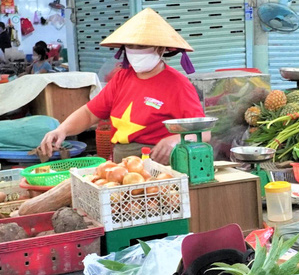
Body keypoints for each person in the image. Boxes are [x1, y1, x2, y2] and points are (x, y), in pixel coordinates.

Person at [37, 8, 204, 163]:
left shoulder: (178, 84)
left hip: (160, 167)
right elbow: (89, 113)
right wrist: (62, 130)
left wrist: (175, 140)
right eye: (130, 46)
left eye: (142, 46)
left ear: (160, 49)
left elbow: (203, 132)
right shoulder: (122, 77)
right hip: (122, 163)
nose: (135, 51)